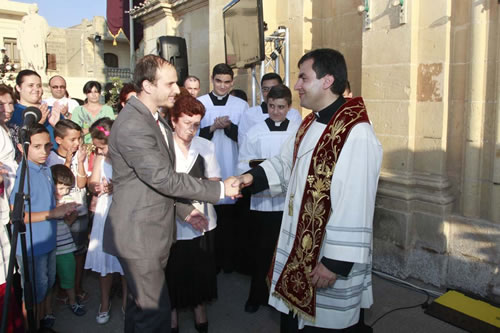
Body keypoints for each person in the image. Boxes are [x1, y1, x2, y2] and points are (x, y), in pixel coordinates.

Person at [237, 48, 382, 332]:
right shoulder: (310, 122)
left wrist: (335, 263)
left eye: (303, 77)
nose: (297, 85)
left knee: (324, 324)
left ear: (327, 81)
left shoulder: (355, 132)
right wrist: (249, 180)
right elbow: (284, 163)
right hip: (300, 251)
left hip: (325, 259)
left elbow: (356, 201)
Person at [103, 54, 240, 332]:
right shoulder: (133, 124)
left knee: (142, 311)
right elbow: (162, 178)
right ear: (147, 85)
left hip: (152, 232)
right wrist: (219, 188)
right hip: (140, 236)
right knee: (155, 314)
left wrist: (184, 211)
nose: (177, 90)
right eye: (171, 83)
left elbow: (150, 184)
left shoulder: (155, 119)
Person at [237, 84, 300, 314]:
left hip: (288, 203)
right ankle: (257, 296)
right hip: (263, 202)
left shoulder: (298, 130)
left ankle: (283, 297)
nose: (276, 112)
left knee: (285, 251)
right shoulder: (255, 131)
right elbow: (243, 163)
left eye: (281, 107)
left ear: (289, 107)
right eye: (272, 106)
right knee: (261, 250)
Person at [9, 124, 77, 330]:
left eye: (47, 146)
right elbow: (17, 215)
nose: (44, 152)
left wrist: (62, 209)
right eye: (37, 147)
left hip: (48, 242)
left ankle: (38, 324)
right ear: (22, 147)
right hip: (32, 246)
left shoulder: (46, 169)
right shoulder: (23, 175)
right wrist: (52, 213)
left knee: (45, 287)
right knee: (33, 294)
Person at [165, 95, 221, 333]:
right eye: (187, 123)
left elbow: (215, 181)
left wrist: (203, 186)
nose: (192, 129)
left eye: (196, 124)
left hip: (202, 220)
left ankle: (199, 308)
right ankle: (172, 312)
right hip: (171, 222)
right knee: (173, 270)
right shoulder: (162, 148)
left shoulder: (205, 146)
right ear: (173, 120)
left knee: (200, 269)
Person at [198, 63, 248, 273]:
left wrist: (229, 128)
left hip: (232, 163)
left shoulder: (240, 105)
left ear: (232, 82)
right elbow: (192, 136)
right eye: (218, 81)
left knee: (231, 218)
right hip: (208, 167)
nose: (222, 86)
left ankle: (231, 261)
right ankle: (211, 261)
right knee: (209, 215)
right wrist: (212, 127)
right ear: (212, 79)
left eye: (227, 82)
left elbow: (246, 138)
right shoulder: (200, 103)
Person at [84, 118, 127, 324]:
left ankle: (128, 302)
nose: (99, 152)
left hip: (123, 211)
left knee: (126, 260)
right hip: (104, 209)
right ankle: (104, 302)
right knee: (105, 259)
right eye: (97, 148)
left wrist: (115, 187)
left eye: (102, 147)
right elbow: (92, 182)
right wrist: (96, 187)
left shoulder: (127, 158)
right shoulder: (101, 160)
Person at [46, 119, 90, 304]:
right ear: (58, 139)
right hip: (59, 215)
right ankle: (63, 289)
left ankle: (77, 286)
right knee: (60, 254)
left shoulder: (82, 155)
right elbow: (62, 180)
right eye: (72, 139)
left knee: (78, 253)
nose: (76, 143)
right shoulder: (50, 158)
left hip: (78, 211)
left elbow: (80, 184)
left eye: (79, 139)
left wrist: (79, 162)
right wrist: (68, 161)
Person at [0, 83, 24, 332]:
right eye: (1, 104)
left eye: (10, 103)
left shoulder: (5, 129)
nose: (7, 109)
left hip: (8, 202)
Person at [50, 164, 87, 316]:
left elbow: (69, 222)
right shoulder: (47, 200)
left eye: (66, 188)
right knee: (49, 282)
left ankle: (72, 301)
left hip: (65, 246)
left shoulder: (69, 199)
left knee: (68, 275)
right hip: (50, 247)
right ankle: (48, 311)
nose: (63, 192)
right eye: (60, 188)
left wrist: (70, 214)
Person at [238, 73, 302, 144]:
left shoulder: (293, 114)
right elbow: (243, 143)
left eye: (273, 88)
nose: (269, 93)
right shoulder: (249, 114)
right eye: (265, 89)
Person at [10, 70, 65, 148]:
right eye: (30, 85)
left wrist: (57, 126)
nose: (36, 89)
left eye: (39, 85)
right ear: (18, 88)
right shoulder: (11, 111)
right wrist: (38, 124)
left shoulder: (52, 111)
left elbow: (67, 140)